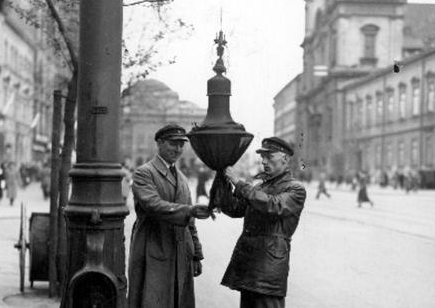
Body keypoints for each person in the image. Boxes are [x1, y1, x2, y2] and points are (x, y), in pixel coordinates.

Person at [128, 124, 212, 308]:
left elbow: (190, 223)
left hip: (180, 251)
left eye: (181, 145)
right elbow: (153, 205)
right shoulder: (144, 173)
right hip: (153, 247)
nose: (178, 149)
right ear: (159, 143)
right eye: (173, 144)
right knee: (152, 300)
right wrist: (189, 211)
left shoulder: (181, 177)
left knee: (177, 301)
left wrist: (196, 254)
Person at [219, 136, 307, 308]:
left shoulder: (295, 188)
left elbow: (273, 205)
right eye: (263, 157)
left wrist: (239, 183)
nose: (264, 161)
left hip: (269, 268)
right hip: (250, 265)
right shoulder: (260, 187)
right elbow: (235, 210)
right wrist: (223, 183)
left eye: (269, 157)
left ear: (285, 159)